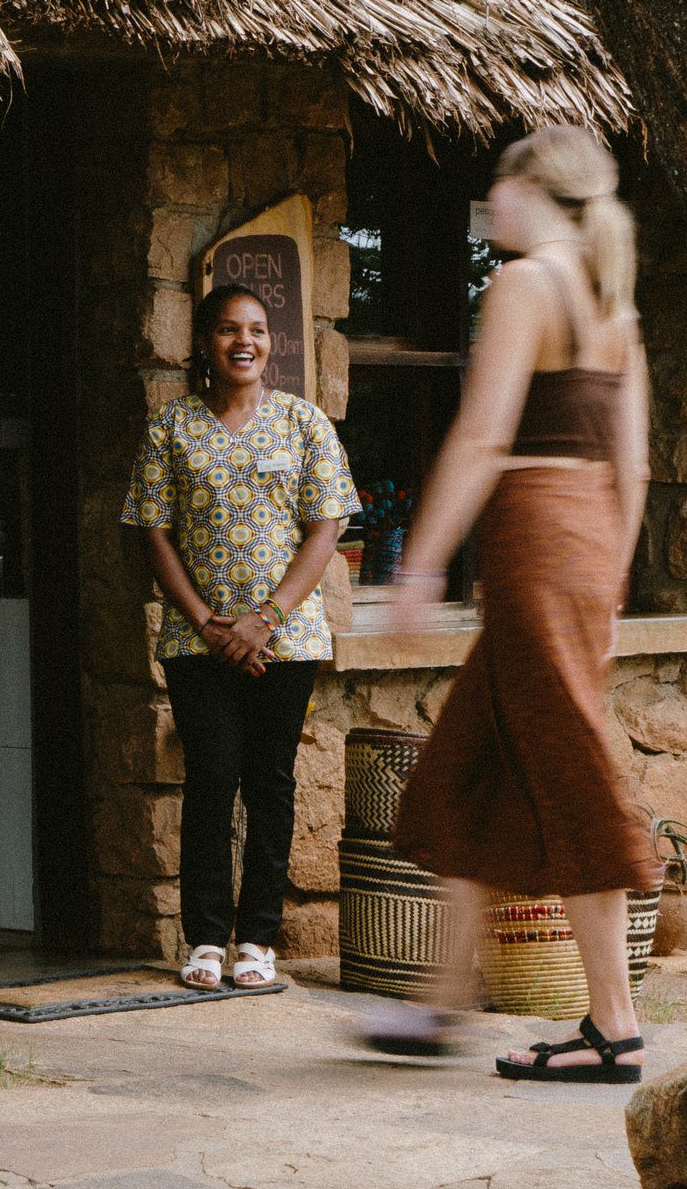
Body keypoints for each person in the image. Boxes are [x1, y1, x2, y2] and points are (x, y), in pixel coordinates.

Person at [371, 126, 659, 1084]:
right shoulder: (614, 300)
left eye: (501, 180)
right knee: (466, 774)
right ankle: (440, 1005)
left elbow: (484, 436)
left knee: (570, 769)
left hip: (534, 540)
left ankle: (614, 1022)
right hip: (581, 545)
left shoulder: (527, 283)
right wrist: (610, 583)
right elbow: (636, 463)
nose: (492, 198)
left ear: (536, 188)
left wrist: (419, 568)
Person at [123, 284, 361, 992]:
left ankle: (258, 938)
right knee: (211, 777)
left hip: (286, 641)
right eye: (228, 329)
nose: (244, 341)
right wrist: (206, 621)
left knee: (270, 781)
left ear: (272, 342)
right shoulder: (172, 427)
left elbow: (328, 526)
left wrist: (267, 618)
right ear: (204, 341)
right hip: (198, 641)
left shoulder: (304, 423)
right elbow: (153, 533)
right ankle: (203, 937)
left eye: (257, 329)